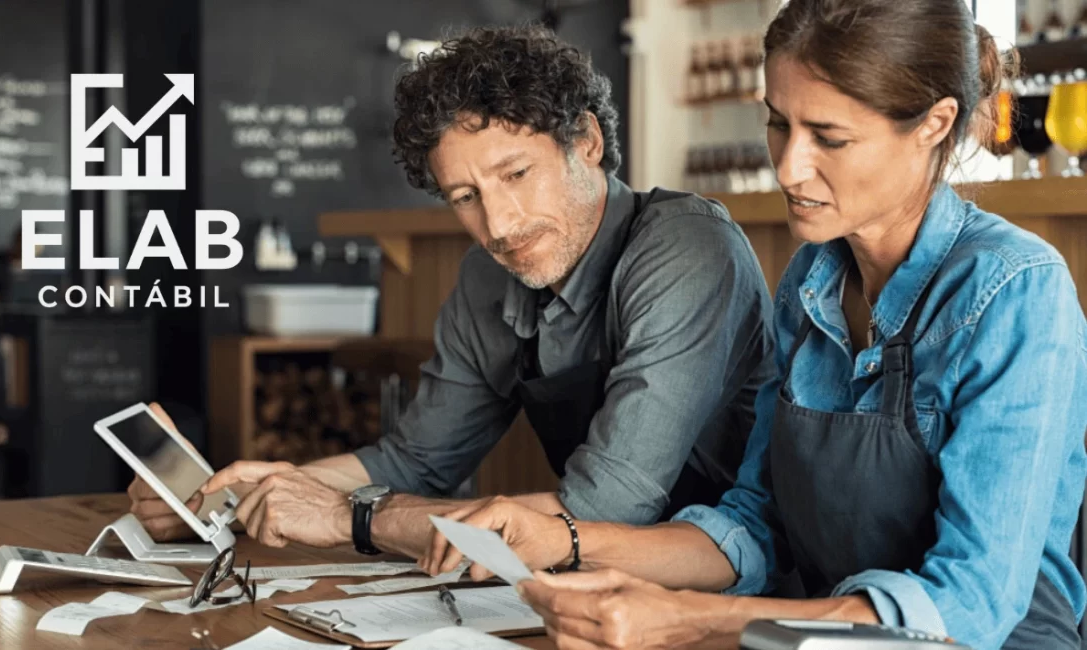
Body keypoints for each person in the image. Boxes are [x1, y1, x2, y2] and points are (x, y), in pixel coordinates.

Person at [420, 2, 1087, 649]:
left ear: (934, 125)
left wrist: (694, 620)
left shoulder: (1014, 290)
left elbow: (971, 603)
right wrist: (563, 538)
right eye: (778, 123)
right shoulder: (810, 281)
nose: (788, 167)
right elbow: (756, 525)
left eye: (829, 138)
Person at [128, 25, 775, 559]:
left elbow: (605, 508)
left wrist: (353, 519)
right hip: (599, 586)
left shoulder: (687, 249)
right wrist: (235, 497)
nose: (499, 225)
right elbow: (415, 460)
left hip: (740, 586)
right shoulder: (488, 277)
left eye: (516, 174)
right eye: (465, 197)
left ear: (586, 142)